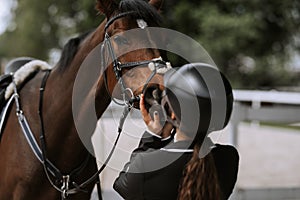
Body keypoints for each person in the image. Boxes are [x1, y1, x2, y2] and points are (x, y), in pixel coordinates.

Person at [113, 63, 239, 200]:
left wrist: (153, 136)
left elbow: (121, 186)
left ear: (171, 114)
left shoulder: (146, 165)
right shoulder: (228, 159)